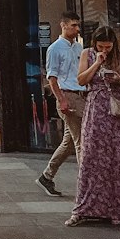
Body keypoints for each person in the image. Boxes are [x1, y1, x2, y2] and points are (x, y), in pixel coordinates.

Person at [65, 24, 120, 227]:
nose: (104, 50)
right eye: (101, 46)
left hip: (117, 112)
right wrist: (96, 64)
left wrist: (119, 79)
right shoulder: (87, 54)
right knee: (92, 157)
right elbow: (81, 80)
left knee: (118, 159)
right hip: (96, 110)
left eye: (108, 47)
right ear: (95, 44)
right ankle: (87, 208)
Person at [37, 11, 83, 197]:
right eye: (73, 25)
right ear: (63, 25)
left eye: (77, 25)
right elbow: (52, 78)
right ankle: (85, 183)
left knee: (69, 142)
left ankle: (47, 176)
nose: (77, 29)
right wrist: (61, 100)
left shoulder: (79, 48)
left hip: (79, 94)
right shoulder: (55, 49)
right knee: (81, 140)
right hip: (67, 95)